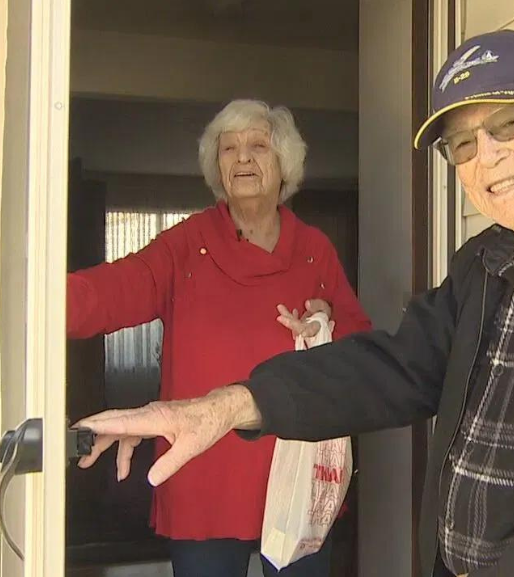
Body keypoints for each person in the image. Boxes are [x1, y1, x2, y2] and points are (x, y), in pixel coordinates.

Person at [77, 31, 514, 577]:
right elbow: (393, 365)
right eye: (462, 143)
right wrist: (226, 405)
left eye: (507, 122)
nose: (487, 155)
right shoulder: (488, 261)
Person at [67, 99, 371, 577]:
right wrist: (34, 305)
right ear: (217, 167)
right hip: (203, 466)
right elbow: (116, 289)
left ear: (284, 163)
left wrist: (328, 320)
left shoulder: (314, 250)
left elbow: (360, 340)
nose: (243, 158)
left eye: (257, 146)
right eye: (229, 149)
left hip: (293, 471)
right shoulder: (187, 244)